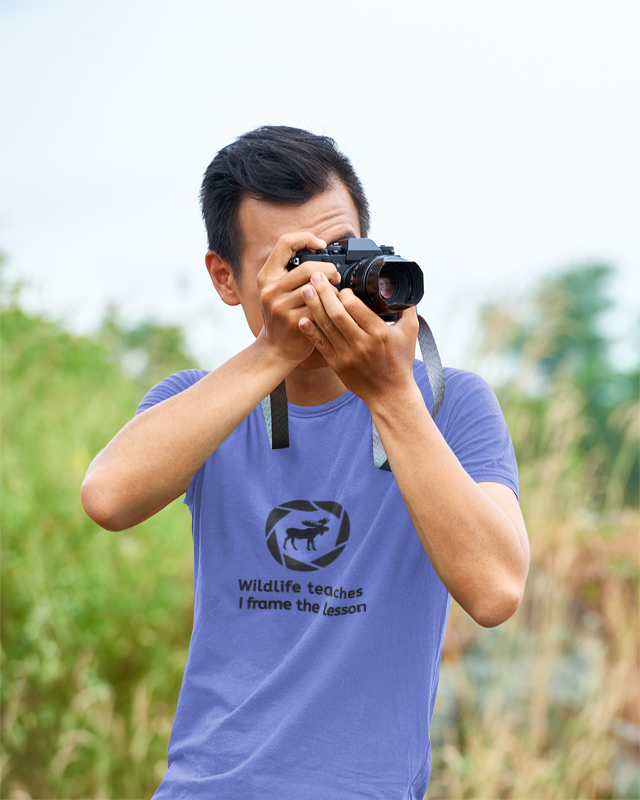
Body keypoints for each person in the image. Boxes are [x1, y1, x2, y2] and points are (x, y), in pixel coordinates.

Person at [81, 125, 529, 800]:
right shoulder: (199, 403)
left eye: (340, 255)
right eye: (295, 266)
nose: (325, 286)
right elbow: (107, 498)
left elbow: (496, 590)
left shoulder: (446, 402)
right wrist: (272, 354)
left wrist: (391, 396)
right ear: (226, 278)